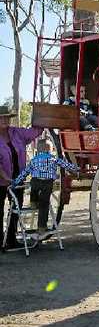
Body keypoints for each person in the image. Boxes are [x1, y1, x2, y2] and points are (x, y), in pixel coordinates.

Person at [11, 139, 78, 238]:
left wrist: (15, 182)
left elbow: (25, 172)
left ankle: (33, 202)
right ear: (50, 150)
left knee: (33, 188)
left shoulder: (34, 160)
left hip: (36, 181)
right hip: (47, 183)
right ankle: (41, 227)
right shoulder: (53, 159)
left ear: (38, 150)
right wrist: (76, 169)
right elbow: (66, 165)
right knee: (44, 205)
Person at [0, 105, 43, 249]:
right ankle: (1, 241)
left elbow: (34, 132)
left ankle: (11, 239)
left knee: (15, 210)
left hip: (17, 179)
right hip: (2, 179)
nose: (5, 120)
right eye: (1, 118)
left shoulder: (16, 133)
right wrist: (5, 177)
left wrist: (42, 120)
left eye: (6, 118)